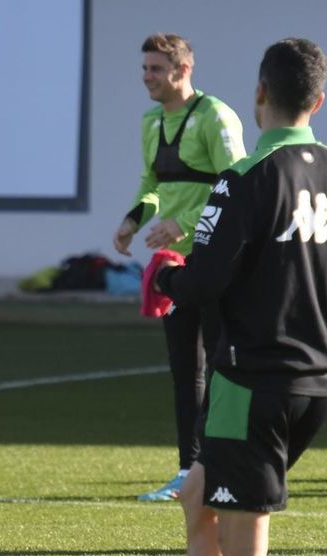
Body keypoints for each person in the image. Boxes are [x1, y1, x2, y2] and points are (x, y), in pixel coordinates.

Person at [155, 37, 327, 556]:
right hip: (313, 384)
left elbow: (203, 281)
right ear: (317, 102)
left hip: (251, 386)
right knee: (197, 501)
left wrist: (163, 276)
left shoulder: (246, 177)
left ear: (259, 92)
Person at [113, 33, 247, 501]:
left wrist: (183, 222)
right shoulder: (151, 121)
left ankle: (224, 466)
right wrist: (134, 219)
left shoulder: (215, 116)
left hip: (215, 261)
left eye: (155, 69)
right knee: (184, 368)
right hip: (172, 264)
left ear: (182, 70)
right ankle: (188, 472)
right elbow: (153, 183)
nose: (146, 77)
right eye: (144, 68)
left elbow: (237, 187)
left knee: (222, 365)